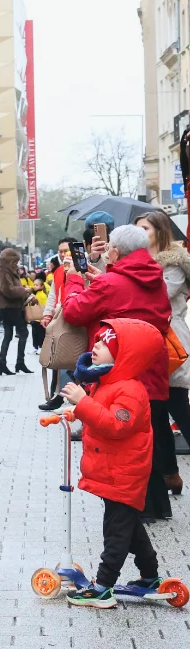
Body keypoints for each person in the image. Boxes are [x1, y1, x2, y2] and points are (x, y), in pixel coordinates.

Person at [60, 224, 173, 521]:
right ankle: (159, 505)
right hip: (153, 366)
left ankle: (137, 509)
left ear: (116, 251)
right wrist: (104, 279)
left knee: (125, 440)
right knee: (152, 433)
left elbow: (74, 312)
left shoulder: (110, 283)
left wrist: (72, 281)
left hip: (121, 369)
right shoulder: (157, 279)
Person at [59, 320, 168, 607]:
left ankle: (104, 586)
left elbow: (116, 426)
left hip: (125, 472)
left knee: (116, 530)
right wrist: (78, 411)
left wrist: (83, 402)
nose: (95, 345)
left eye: (104, 343)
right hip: (115, 471)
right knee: (128, 526)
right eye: (96, 340)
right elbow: (100, 414)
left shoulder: (129, 389)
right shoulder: (106, 383)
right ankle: (150, 577)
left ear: (124, 356)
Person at [137, 210, 190, 498]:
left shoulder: (175, 261)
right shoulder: (136, 261)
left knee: (179, 407)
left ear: (159, 230)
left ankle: (170, 473)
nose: (141, 233)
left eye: (145, 228)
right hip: (145, 342)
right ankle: (169, 474)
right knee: (156, 416)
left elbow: (157, 296)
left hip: (169, 341)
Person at [40, 239, 79, 412]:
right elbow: (53, 295)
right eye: (60, 251)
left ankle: (68, 395)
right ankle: (58, 396)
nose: (63, 254)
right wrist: (48, 315)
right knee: (57, 357)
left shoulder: (79, 268)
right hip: (60, 317)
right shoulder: (58, 272)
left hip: (76, 317)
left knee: (70, 358)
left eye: (66, 251)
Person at [0, 247, 32, 376]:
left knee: (9, 335)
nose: (16, 264)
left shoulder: (10, 272)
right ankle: (17, 363)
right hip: (9, 308)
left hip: (12, 307)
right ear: (9, 262)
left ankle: (4, 364)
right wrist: (24, 291)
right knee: (22, 332)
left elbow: (14, 289)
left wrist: (25, 293)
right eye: (14, 261)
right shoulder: (3, 273)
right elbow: (8, 291)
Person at [30, 277, 47, 352]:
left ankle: (41, 347)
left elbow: (44, 306)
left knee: (40, 334)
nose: (34, 286)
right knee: (34, 334)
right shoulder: (36, 294)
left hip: (39, 318)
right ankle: (35, 347)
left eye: (37, 285)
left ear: (42, 286)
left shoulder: (42, 295)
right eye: (34, 285)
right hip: (34, 317)